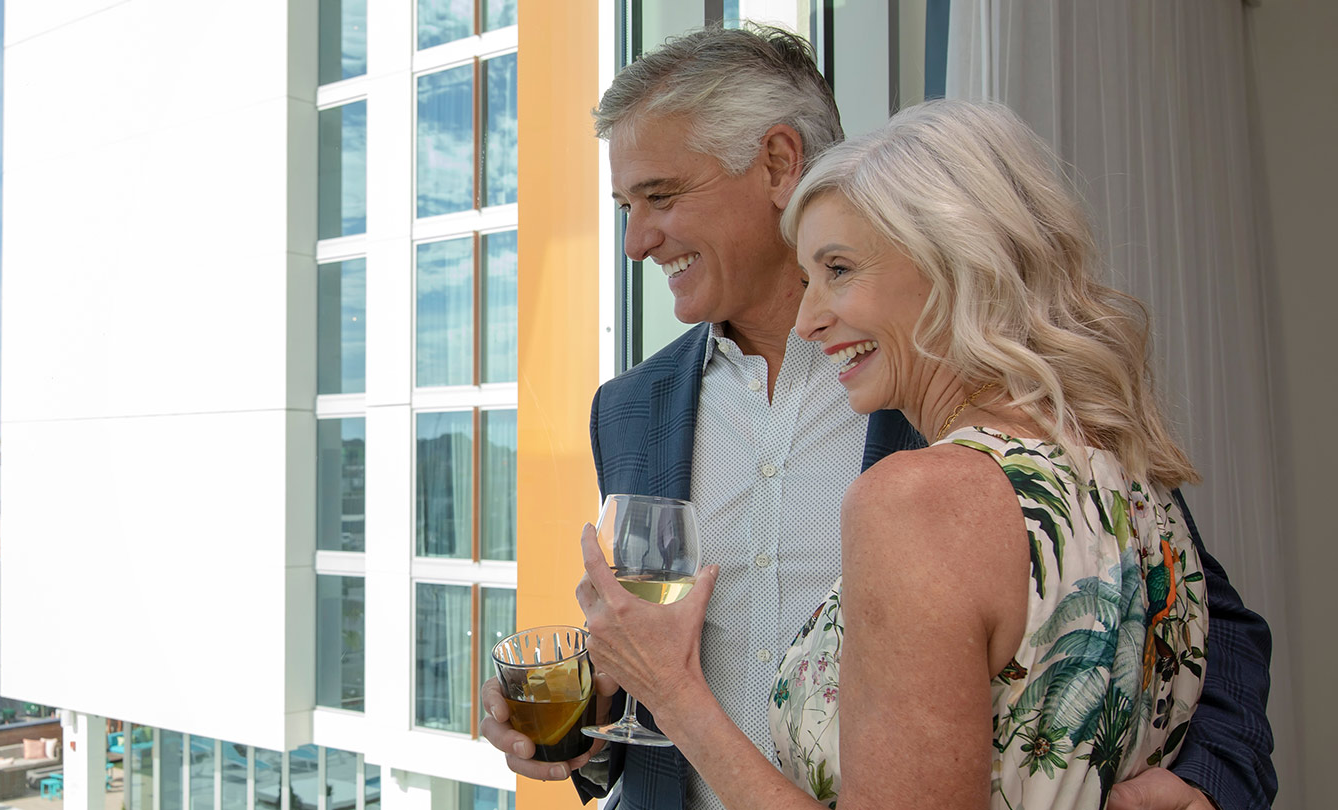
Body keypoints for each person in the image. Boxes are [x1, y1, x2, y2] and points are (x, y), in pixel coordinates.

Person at [478, 26, 1277, 810]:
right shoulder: (629, 411)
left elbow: (1194, 614)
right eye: (624, 204)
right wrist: (591, 712)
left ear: (779, 163)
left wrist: (1209, 784)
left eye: (660, 195)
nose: (635, 240)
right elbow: (647, 656)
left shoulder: (942, 389)